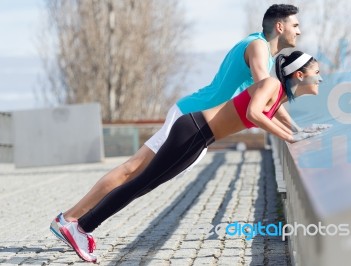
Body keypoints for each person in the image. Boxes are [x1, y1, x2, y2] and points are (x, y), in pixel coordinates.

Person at [50, 3, 304, 244]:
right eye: (295, 25)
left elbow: (268, 99)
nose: (299, 31)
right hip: (193, 117)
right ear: (279, 27)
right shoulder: (259, 47)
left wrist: (297, 130)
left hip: (198, 122)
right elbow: (264, 95)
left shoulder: (257, 46)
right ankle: (71, 220)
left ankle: (72, 220)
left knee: (139, 175)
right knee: (133, 172)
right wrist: (293, 133)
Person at [58, 50, 325, 262]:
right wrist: (291, 137)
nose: (321, 78)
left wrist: (302, 132)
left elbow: (272, 114)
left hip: (198, 137)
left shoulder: (278, 94)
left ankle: (82, 226)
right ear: (299, 74)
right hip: (193, 131)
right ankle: (81, 227)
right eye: (317, 72)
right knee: (140, 182)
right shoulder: (270, 84)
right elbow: (255, 114)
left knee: (144, 184)